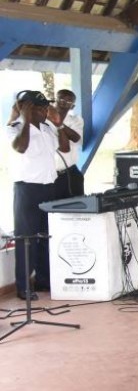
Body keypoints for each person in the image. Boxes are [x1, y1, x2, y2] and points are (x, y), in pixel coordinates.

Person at [7, 90, 69, 300]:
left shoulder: (47, 128)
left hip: (48, 188)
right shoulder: (14, 129)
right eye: (40, 108)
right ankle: (23, 287)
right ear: (27, 108)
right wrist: (24, 120)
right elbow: (20, 147)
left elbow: (64, 147)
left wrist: (58, 124)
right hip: (27, 190)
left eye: (45, 107)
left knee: (45, 237)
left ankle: (43, 280)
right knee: (27, 239)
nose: (45, 111)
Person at [52, 89, 84, 197]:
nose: (63, 103)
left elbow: (76, 139)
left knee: (76, 210)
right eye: (60, 99)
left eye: (68, 102)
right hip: (50, 175)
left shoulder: (75, 120)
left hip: (70, 173)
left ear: (72, 106)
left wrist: (59, 123)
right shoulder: (44, 119)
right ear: (55, 100)